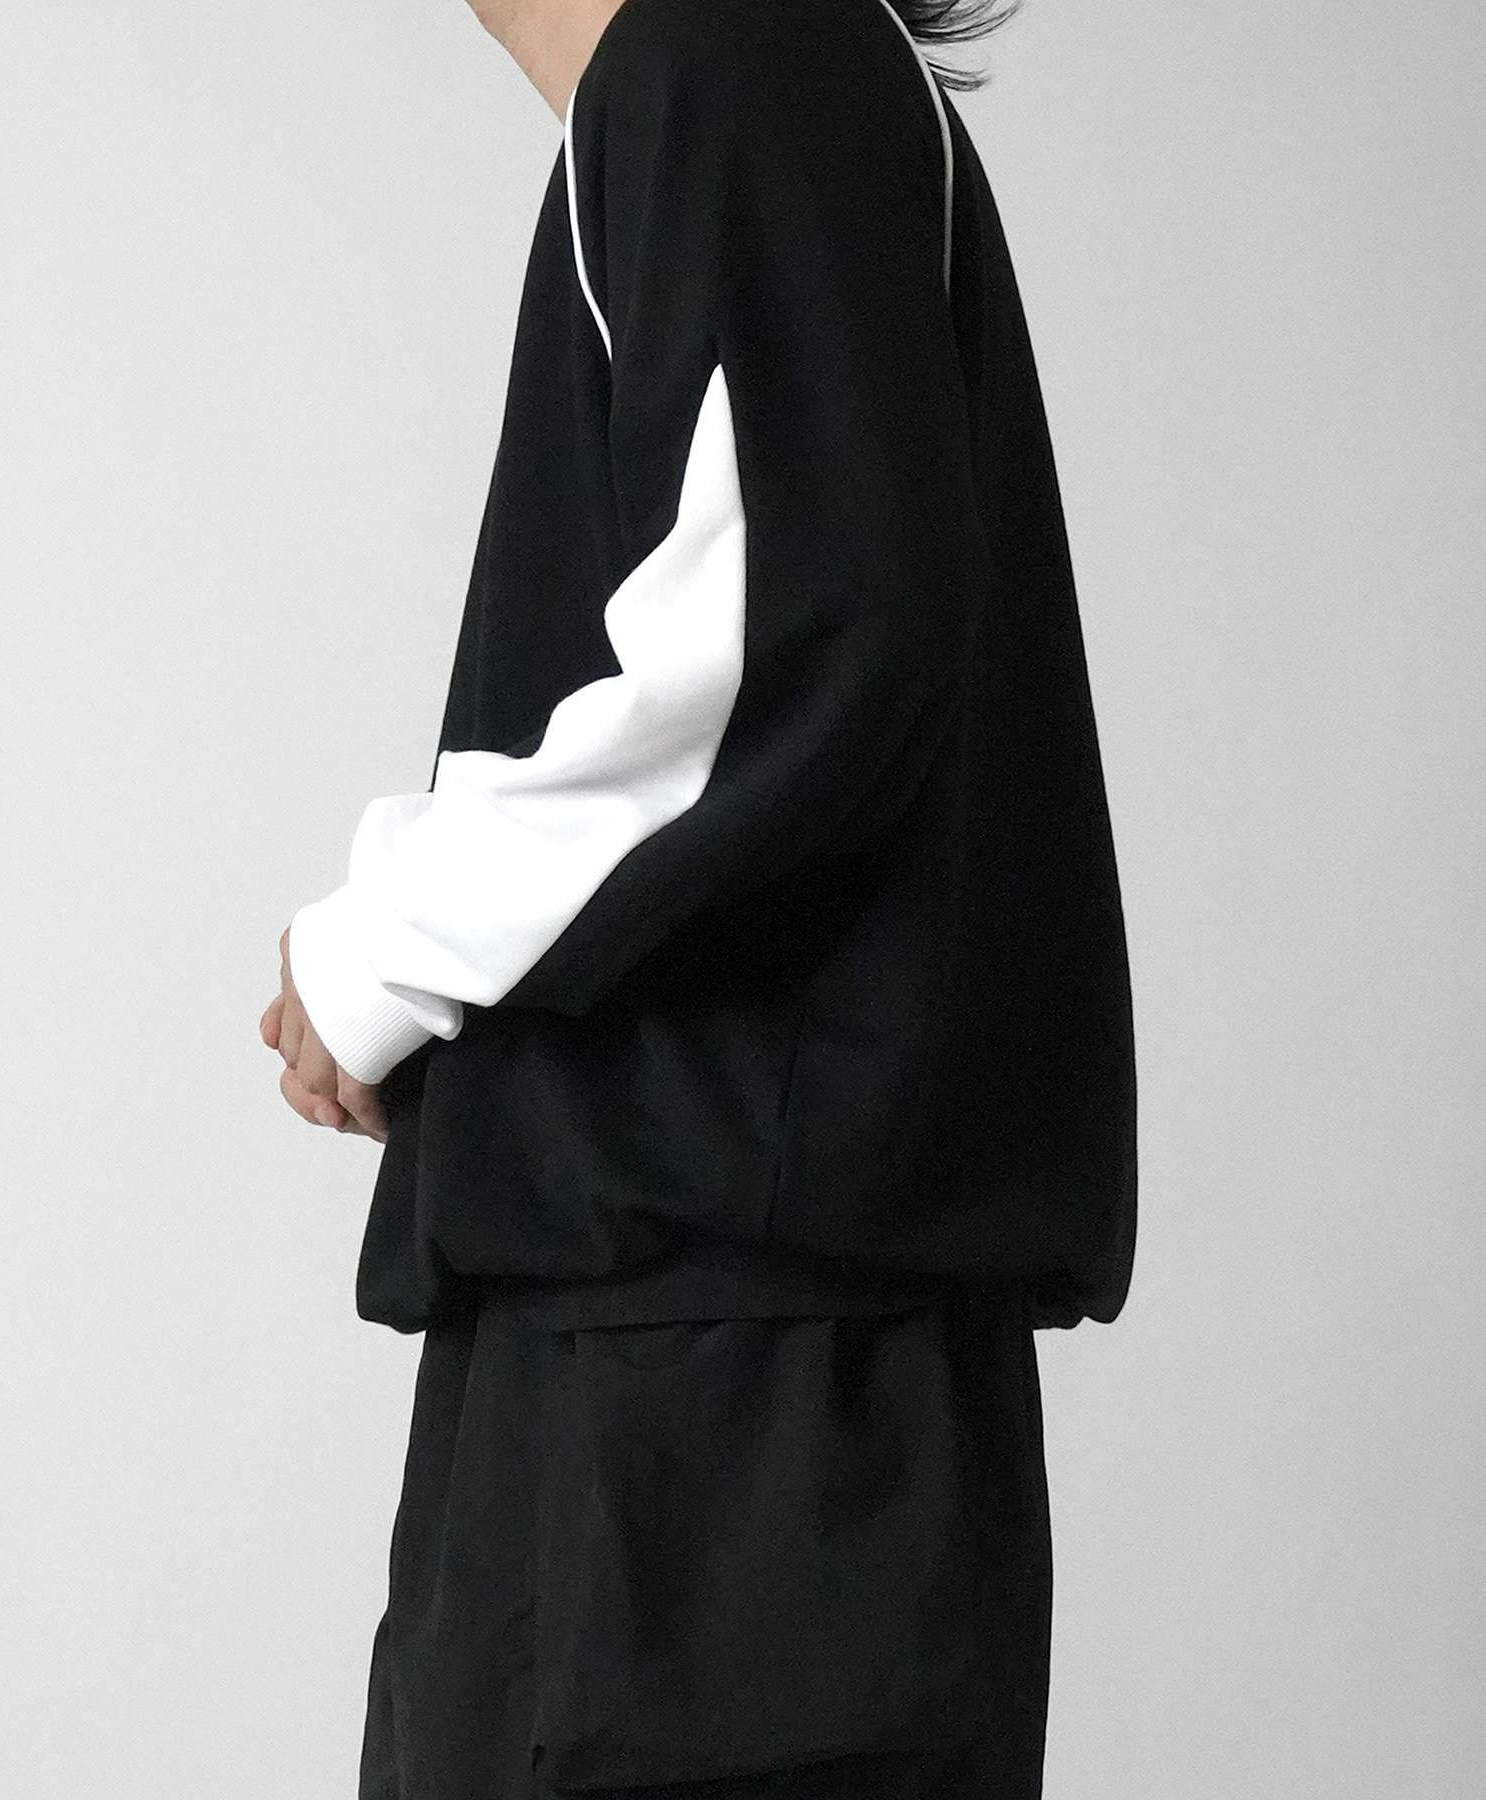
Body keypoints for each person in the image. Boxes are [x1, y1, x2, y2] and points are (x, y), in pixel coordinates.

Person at [259, 0, 1138, 1793]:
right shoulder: (751, 66)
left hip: (715, 1419)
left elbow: (797, 638)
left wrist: (388, 945)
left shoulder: (739, 50)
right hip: (717, 1378)